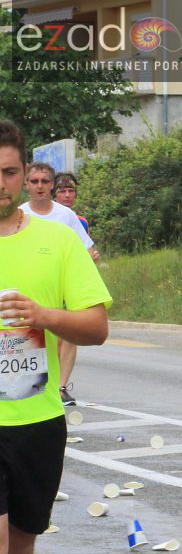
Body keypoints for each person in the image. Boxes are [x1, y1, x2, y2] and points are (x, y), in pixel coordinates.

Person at [0, 121, 111, 554]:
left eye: (9, 172)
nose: (0, 183)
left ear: (26, 176)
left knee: (20, 546)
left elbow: (96, 327)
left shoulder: (58, 240)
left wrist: (44, 315)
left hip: (37, 419)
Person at [21, 163, 98, 408]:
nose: (40, 186)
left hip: (62, 287)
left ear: (52, 185)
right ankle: (32, 385)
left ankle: (60, 387)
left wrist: (86, 267)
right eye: (34, 181)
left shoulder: (66, 216)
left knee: (67, 335)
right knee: (35, 337)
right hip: (32, 287)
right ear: (26, 184)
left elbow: (87, 250)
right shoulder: (20, 214)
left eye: (45, 181)